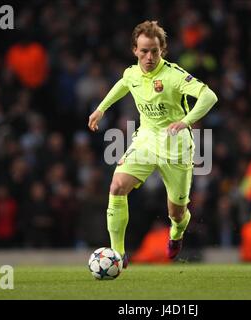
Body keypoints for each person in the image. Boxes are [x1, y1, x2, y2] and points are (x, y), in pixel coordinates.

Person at [88, 21, 218, 267]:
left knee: (176, 212)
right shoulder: (132, 73)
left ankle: (176, 233)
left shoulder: (173, 75)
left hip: (176, 145)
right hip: (146, 139)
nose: (149, 57)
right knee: (116, 186)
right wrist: (101, 109)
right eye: (144, 51)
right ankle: (117, 255)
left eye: (154, 51)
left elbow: (209, 96)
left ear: (163, 50)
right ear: (135, 50)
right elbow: (123, 84)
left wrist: (185, 121)